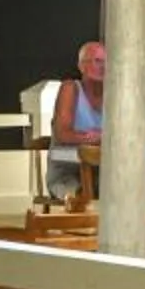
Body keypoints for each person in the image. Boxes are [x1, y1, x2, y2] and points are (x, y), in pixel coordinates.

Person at [46, 40, 106, 201]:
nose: (103, 67)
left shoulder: (113, 96)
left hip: (100, 172)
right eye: (97, 61)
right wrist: (94, 138)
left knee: (124, 189)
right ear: (81, 66)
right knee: (81, 197)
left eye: (106, 62)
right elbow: (62, 134)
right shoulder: (70, 88)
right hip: (67, 172)